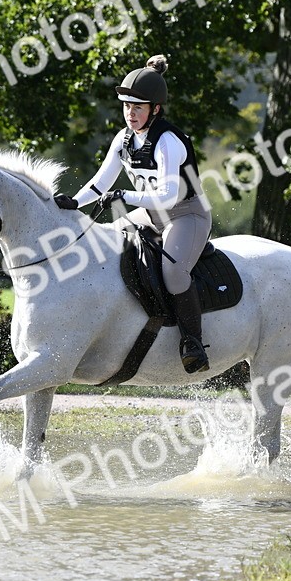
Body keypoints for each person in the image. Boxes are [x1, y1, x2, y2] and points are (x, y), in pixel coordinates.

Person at [54, 54, 212, 373]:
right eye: (127, 106)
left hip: (186, 216)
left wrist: (124, 195)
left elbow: (167, 194)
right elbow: (101, 182)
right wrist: (74, 202)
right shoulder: (124, 139)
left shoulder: (168, 141)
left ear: (155, 109)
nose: (131, 113)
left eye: (138, 107)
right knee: (107, 246)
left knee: (173, 273)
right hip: (149, 214)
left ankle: (193, 342)